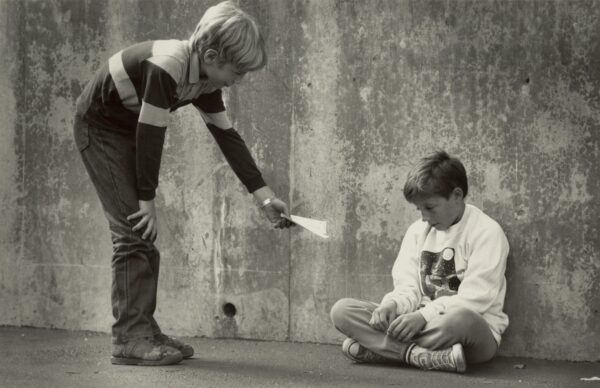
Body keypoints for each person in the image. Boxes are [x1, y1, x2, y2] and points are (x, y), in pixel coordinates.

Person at [73, 1, 292, 366]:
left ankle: (142, 328)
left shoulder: (202, 81)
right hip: (99, 128)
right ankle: (129, 338)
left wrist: (264, 196)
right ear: (210, 55)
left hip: (125, 129)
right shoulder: (168, 65)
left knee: (142, 235)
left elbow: (228, 137)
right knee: (133, 230)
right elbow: (151, 132)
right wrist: (146, 199)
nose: (238, 81)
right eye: (236, 72)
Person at [330, 150, 509, 373]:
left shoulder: (487, 232)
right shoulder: (417, 231)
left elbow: (476, 299)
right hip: (417, 324)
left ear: (456, 195)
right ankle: (420, 356)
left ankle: (383, 351)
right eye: (419, 209)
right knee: (342, 310)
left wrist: (423, 316)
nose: (424, 217)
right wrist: (392, 305)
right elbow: (407, 286)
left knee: (461, 319)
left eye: (430, 207)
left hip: (466, 333)